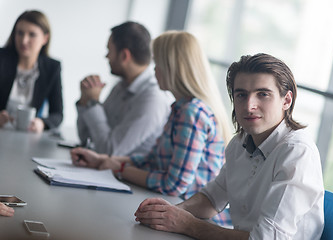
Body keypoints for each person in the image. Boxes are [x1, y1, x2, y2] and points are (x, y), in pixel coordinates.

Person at [134, 53, 325, 239]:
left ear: (286, 100)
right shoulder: (240, 142)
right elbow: (213, 197)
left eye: (263, 94)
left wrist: (187, 224)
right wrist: (170, 213)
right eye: (241, 95)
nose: (249, 105)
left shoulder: (297, 152)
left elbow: (265, 238)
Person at [71, 31, 232, 226]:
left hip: (194, 221)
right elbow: (153, 159)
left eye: (157, 64)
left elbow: (174, 184)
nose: (154, 71)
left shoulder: (192, 113)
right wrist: (104, 161)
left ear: (172, 68)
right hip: (175, 211)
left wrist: (120, 168)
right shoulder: (179, 108)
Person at [76, 21, 172, 156]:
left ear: (124, 56)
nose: (106, 56)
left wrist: (93, 103)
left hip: (123, 175)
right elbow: (87, 139)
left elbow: (109, 151)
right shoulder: (120, 86)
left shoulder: (153, 98)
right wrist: (85, 100)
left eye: (109, 50)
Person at [0, 10, 63, 132]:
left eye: (32, 34)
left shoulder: (52, 67)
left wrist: (42, 123)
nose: (24, 41)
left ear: (45, 38)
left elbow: (57, 114)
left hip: (27, 136)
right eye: (20, 33)